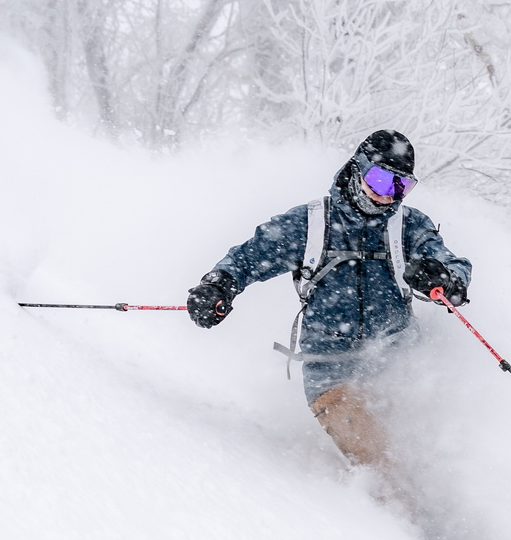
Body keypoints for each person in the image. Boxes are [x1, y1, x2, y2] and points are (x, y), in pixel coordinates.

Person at [186, 130, 471, 487]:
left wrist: (445, 279)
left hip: (397, 369)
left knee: (428, 461)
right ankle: (395, 532)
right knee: (387, 464)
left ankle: (440, 523)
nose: (386, 194)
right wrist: (218, 285)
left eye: (401, 186)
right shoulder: (312, 223)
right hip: (332, 373)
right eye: (379, 178)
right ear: (357, 169)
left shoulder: (409, 226)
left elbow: (452, 267)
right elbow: (248, 257)